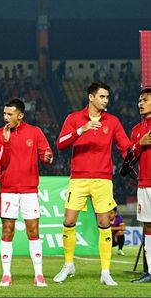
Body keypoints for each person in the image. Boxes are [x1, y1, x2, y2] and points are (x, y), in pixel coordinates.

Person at [53, 81, 130, 286]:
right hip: (78, 178)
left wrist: (134, 154)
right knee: (68, 221)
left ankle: (105, 271)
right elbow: (60, 144)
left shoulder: (112, 121)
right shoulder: (74, 118)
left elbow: (126, 147)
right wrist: (81, 130)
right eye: (102, 96)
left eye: (107, 97)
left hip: (103, 179)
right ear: (91, 97)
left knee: (105, 223)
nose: (106, 100)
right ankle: (68, 264)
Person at [0, 98, 53, 287]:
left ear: (20, 115)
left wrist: (48, 157)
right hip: (8, 190)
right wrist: (7, 143)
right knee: (7, 231)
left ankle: (39, 275)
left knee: (33, 231)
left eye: (10, 114)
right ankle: (6, 274)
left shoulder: (34, 132)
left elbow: (46, 154)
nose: (6, 117)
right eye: (4, 113)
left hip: (29, 191)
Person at [129, 87, 151, 284]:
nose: (140, 103)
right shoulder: (137, 130)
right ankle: (150, 271)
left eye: (145, 100)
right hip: (144, 183)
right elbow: (128, 160)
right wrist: (140, 144)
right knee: (148, 226)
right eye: (139, 101)